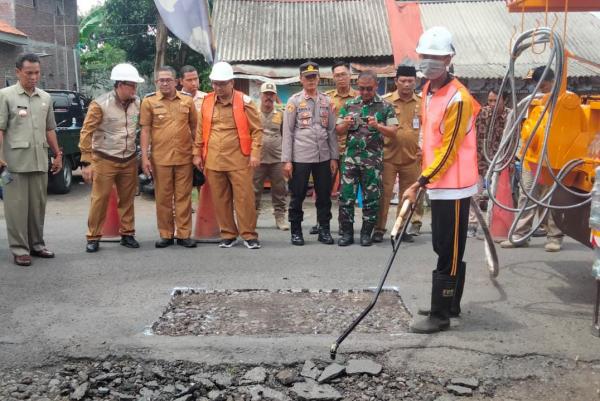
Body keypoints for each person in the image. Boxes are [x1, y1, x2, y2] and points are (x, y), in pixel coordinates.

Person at [402, 27, 479, 334]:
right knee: (443, 244)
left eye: (436, 57)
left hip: (455, 185)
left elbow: (449, 149)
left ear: (448, 58)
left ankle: (440, 315)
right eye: (425, 56)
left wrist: (420, 181)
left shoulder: (458, 98)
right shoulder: (429, 91)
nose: (429, 62)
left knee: (448, 248)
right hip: (439, 183)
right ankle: (449, 303)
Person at [192, 62, 263, 249]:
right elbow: (200, 130)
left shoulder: (245, 102)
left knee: (244, 198)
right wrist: (197, 154)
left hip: (239, 159)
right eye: (215, 83)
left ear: (232, 83)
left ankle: (249, 235)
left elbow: (257, 130)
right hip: (213, 159)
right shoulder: (207, 101)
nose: (218, 87)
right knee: (220, 198)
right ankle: (228, 234)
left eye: (222, 83)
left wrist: (255, 153)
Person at [0, 53, 62, 266]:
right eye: (29, 73)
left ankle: (37, 244)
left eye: (37, 72)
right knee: (16, 209)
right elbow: (0, 128)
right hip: (14, 163)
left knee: (37, 207)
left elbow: (50, 128)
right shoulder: (5, 96)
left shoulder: (45, 97)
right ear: (18, 72)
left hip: (38, 161)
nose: (33, 77)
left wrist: (57, 154)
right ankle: (19, 249)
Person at [79, 63, 145, 253]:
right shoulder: (100, 104)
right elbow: (86, 133)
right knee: (100, 199)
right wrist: (86, 162)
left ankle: (127, 233)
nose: (135, 89)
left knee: (127, 198)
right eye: (131, 85)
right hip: (105, 158)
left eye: (135, 85)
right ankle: (93, 236)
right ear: (120, 85)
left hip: (128, 159)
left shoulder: (138, 103)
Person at [500, 66, 564, 251]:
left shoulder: (565, 98)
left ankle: (554, 237)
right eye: (538, 85)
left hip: (555, 158)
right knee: (526, 195)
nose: (540, 88)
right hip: (531, 157)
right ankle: (520, 235)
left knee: (551, 198)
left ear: (552, 80)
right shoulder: (533, 100)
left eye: (543, 85)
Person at [336, 70, 398, 246]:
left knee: (371, 199)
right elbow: (337, 130)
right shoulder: (349, 105)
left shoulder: (386, 107)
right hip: (350, 161)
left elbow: (393, 132)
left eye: (368, 89)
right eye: (361, 88)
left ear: (376, 86)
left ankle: (366, 233)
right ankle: (347, 233)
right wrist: (345, 125)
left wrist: (378, 126)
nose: (364, 92)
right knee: (346, 197)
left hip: (372, 163)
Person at [140, 66, 197, 248]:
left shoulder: (187, 101)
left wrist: (198, 153)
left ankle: (184, 234)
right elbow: (145, 130)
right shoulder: (149, 102)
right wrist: (144, 157)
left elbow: (196, 128)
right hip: (160, 159)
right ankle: (165, 234)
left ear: (176, 81)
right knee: (163, 198)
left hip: (184, 158)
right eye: (161, 80)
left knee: (183, 197)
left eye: (168, 80)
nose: (164, 83)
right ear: (156, 82)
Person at [282, 61, 338, 246]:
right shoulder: (294, 101)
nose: (311, 80)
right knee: (297, 195)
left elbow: (331, 131)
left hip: (323, 156)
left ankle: (324, 230)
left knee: (324, 196)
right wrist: (287, 161)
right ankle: (296, 231)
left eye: (314, 77)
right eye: (308, 77)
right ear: (301, 79)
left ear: (319, 78)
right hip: (301, 157)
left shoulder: (327, 101)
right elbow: (288, 132)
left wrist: (334, 157)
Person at [372, 65, 424, 244]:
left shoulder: (422, 103)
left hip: (412, 158)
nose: (407, 84)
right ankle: (379, 228)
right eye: (403, 81)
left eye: (410, 81)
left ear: (415, 82)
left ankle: (399, 230)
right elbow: (376, 127)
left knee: (407, 195)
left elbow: (427, 128)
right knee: (384, 194)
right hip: (388, 156)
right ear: (396, 81)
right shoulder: (385, 101)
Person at [309, 60, 358, 235]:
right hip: (329, 151)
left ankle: (344, 225)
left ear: (350, 76)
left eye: (344, 74)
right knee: (323, 189)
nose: (341, 78)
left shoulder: (359, 98)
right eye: (337, 75)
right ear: (332, 78)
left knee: (347, 191)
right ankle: (322, 223)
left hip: (353, 151)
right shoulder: (327, 99)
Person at [468, 88, 510, 238]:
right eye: (490, 100)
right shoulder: (482, 112)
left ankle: (496, 225)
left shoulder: (510, 116)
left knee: (498, 195)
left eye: (495, 100)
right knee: (475, 194)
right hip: (479, 159)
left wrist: (508, 161)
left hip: (499, 161)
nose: (491, 103)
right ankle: (472, 224)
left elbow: (514, 140)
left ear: (504, 100)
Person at [253, 82, 289, 230]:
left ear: (275, 96)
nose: (268, 97)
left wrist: (287, 158)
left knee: (280, 189)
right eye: (266, 94)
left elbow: (286, 136)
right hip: (257, 159)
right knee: (254, 189)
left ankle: (280, 217)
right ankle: (252, 218)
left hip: (277, 158)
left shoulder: (281, 113)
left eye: (271, 94)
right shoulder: (253, 112)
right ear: (260, 95)